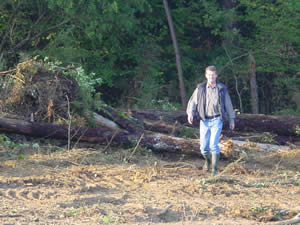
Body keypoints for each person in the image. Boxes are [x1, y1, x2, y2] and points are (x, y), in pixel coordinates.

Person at [186, 66, 235, 176]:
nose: (211, 77)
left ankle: (214, 170)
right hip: (204, 120)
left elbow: (228, 104)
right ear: (206, 75)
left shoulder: (221, 88)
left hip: (217, 119)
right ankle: (208, 162)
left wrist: (232, 119)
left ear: (216, 75)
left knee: (213, 145)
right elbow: (193, 101)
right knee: (203, 148)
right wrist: (190, 113)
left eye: (213, 75)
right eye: (209, 75)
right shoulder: (201, 88)